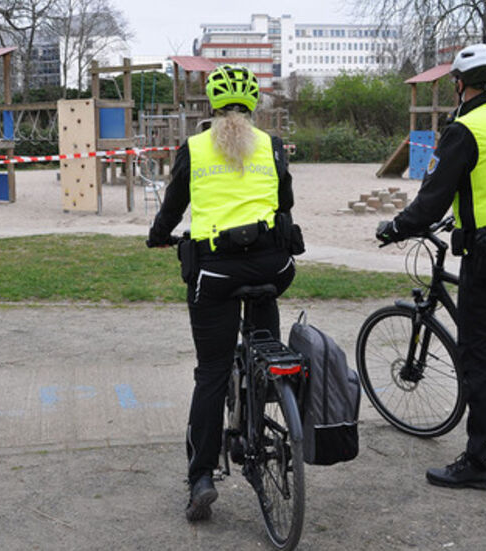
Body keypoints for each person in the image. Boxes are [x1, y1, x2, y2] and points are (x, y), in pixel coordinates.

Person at [376, 43, 486, 490]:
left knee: (479, 357)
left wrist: (395, 227)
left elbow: (430, 200)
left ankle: (480, 462)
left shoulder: (465, 129)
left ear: (459, 84)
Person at [146, 65, 301, 520]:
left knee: (212, 372)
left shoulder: (195, 147)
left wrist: (158, 235)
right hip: (273, 265)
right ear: (253, 106)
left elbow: (174, 206)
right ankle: (266, 411)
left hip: (215, 274)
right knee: (264, 346)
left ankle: (201, 479)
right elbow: (285, 204)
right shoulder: (272, 147)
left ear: (212, 106)